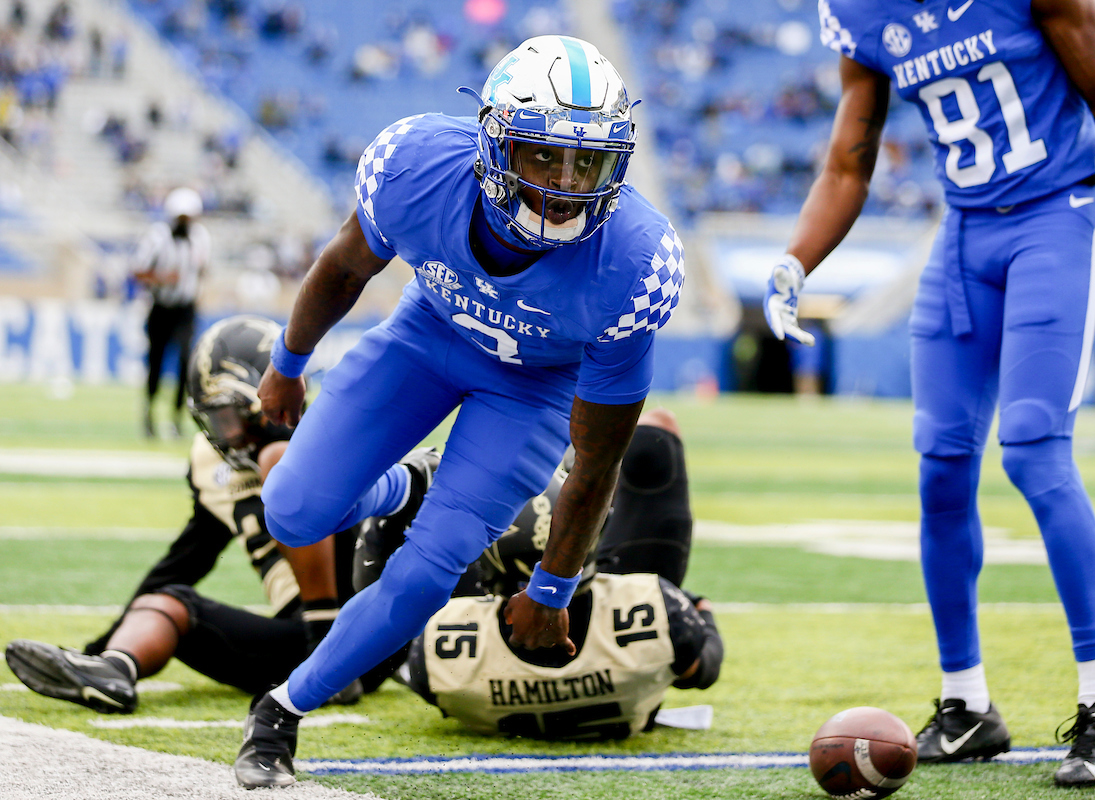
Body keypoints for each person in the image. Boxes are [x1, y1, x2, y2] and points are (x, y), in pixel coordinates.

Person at [763, 0, 1095, 788]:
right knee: (941, 468)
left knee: (1033, 451)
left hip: (1057, 219)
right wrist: (796, 260)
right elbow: (847, 165)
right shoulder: (864, 14)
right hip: (963, 235)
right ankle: (967, 705)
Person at [234, 35, 684, 789]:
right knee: (293, 514)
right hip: (426, 337)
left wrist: (552, 589)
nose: (567, 185)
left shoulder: (633, 264)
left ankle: (280, 713)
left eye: (589, 163)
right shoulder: (417, 167)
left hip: (530, 391)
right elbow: (345, 268)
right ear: (494, 143)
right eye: (544, 157)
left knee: (423, 577)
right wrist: (287, 362)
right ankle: (401, 488)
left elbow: (598, 462)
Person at [3, 317, 432, 711]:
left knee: (283, 470)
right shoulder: (217, 470)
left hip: (370, 627)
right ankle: (114, 670)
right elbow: (187, 559)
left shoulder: (323, 431)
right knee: (167, 599)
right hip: (293, 640)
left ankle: (330, 656)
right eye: (215, 420)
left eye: (228, 416)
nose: (225, 435)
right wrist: (99, 647)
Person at [363, 408, 722, 740]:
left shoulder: (437, 658)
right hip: (618, 649)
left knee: (407, 489)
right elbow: (702, 670)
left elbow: (384, 646)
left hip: (483, 660)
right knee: (654, 436)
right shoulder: (660, 618)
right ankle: (568, 468)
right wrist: (698, 608)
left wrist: (385, 525)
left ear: (483, 566)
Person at [132, 186, 210, 438]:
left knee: (187, 359)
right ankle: (150, 412)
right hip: (161, 307)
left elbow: (204, 269)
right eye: (181, 218)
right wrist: (164, 279)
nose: (185, 223)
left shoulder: (201, 238)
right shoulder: (157, 237)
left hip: (186, 309)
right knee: (155, 362)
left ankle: (177, 416)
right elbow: (138, 271)